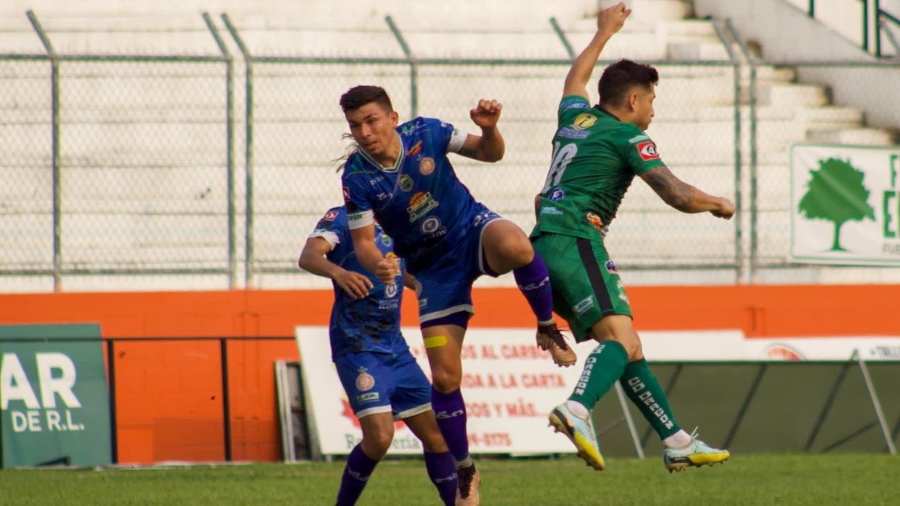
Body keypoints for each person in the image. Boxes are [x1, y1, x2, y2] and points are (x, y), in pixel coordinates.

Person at [338, 84, 575, 505]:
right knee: (445, 377)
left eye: (371, 120)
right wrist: (378, 263)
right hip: (432, 271)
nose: (365, 132)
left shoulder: (428, 132)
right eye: (355, 125)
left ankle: (546, 327)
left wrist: (489, 130)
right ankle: (465, 468)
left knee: (518, 245)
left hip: (472, 230)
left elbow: (491, 153)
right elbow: (363, 243)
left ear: (393, 117)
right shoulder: (357, 177)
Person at [532, 2, 734, 473]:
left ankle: (676, 439)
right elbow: (677, 194)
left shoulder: (576, 120)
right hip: (575, 238)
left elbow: (573, 83)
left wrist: (603, 33)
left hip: (544, 242)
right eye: (651, 100)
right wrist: (719, 203)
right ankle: (577, 410)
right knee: (620, 341)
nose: (652, 110)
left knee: (630, 344)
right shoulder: (627, 138)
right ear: (633, 102)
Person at [298, 205, 458, 506]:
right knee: (381, 437)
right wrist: (339, 273)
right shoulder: (341, 219)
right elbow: (308, 256)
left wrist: (433, 287)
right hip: (357, 345)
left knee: (438, 436)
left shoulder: (397, 219)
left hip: (394, 346)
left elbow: (405, 271)